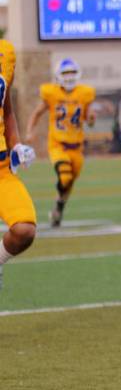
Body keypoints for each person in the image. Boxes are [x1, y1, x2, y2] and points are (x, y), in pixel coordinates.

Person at [26, 58, 96, 227]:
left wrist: (92, 119)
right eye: (66, 73)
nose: (69, 76)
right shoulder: (51, 93)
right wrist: (30, 131)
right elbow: (36, 113)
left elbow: (90, 121)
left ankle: (58, 208)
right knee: (64, 175)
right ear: (58, 75)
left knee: (69, 183)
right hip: (58, 144)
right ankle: (58, 206)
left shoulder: (84, 93)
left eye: (72, 72)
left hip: (77, 147)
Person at [0, 38, 38, 290]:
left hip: (1, 171)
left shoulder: (4, 54)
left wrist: (16, 145)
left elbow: (7, 111)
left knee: (24, 229)